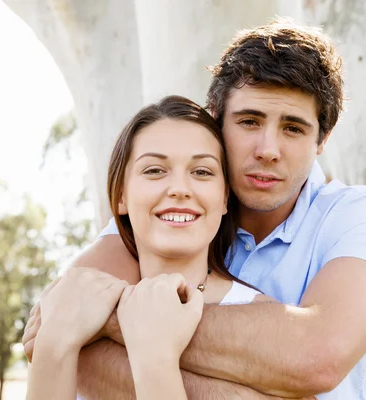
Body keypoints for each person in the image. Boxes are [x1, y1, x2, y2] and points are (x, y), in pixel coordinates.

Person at [24, 20, 366, 399]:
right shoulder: (171, 211)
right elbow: (51, 332)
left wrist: (115, 320)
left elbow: (318, 358)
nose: (268, 149)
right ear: (216, 118)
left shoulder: (357, 215)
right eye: (249, 121)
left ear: (322, 139)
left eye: (293, 128)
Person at [26, 96, 281, 400]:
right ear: (120, 195)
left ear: (224, 197)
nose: (179, 189)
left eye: (201, 172)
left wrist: (155, 356)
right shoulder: (75, 305)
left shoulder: (265, 319)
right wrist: (54, 342)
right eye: (155, 170)